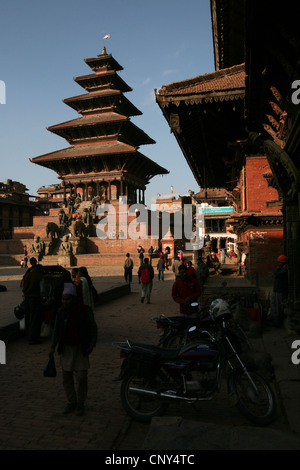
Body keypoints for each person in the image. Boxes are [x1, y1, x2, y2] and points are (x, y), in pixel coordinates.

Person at [49, 283, 98, 416]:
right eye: (64, 299)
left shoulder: (84, 311)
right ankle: (72, 401)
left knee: (82, 377)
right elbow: (56, 331)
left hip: (80, 348)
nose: (65, 302)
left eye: (68, 299)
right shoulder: (61, 312)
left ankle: (81, 402)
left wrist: (91, 344)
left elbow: (93, 328)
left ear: (74, 299)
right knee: (67, 377)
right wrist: (52, 347)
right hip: (66, 348)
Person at [22, 257, 44, 344]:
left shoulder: (26, 275)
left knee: (27, 317)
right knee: (34, 318)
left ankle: (27, 335)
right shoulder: (39, 276)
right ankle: (33, 338)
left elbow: (23, 287)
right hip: (35, 298)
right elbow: (42, 290)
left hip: (26, 298)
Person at [268, 255, 289, 327]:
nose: (278, 263)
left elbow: (277, 274)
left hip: (280, 290)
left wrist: (277, 269)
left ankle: (278, 322)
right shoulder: (282, 269)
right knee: (274, 304)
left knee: (279, 306)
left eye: (279, 262)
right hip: (277, 289)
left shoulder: (285, 269)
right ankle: (275, 319)